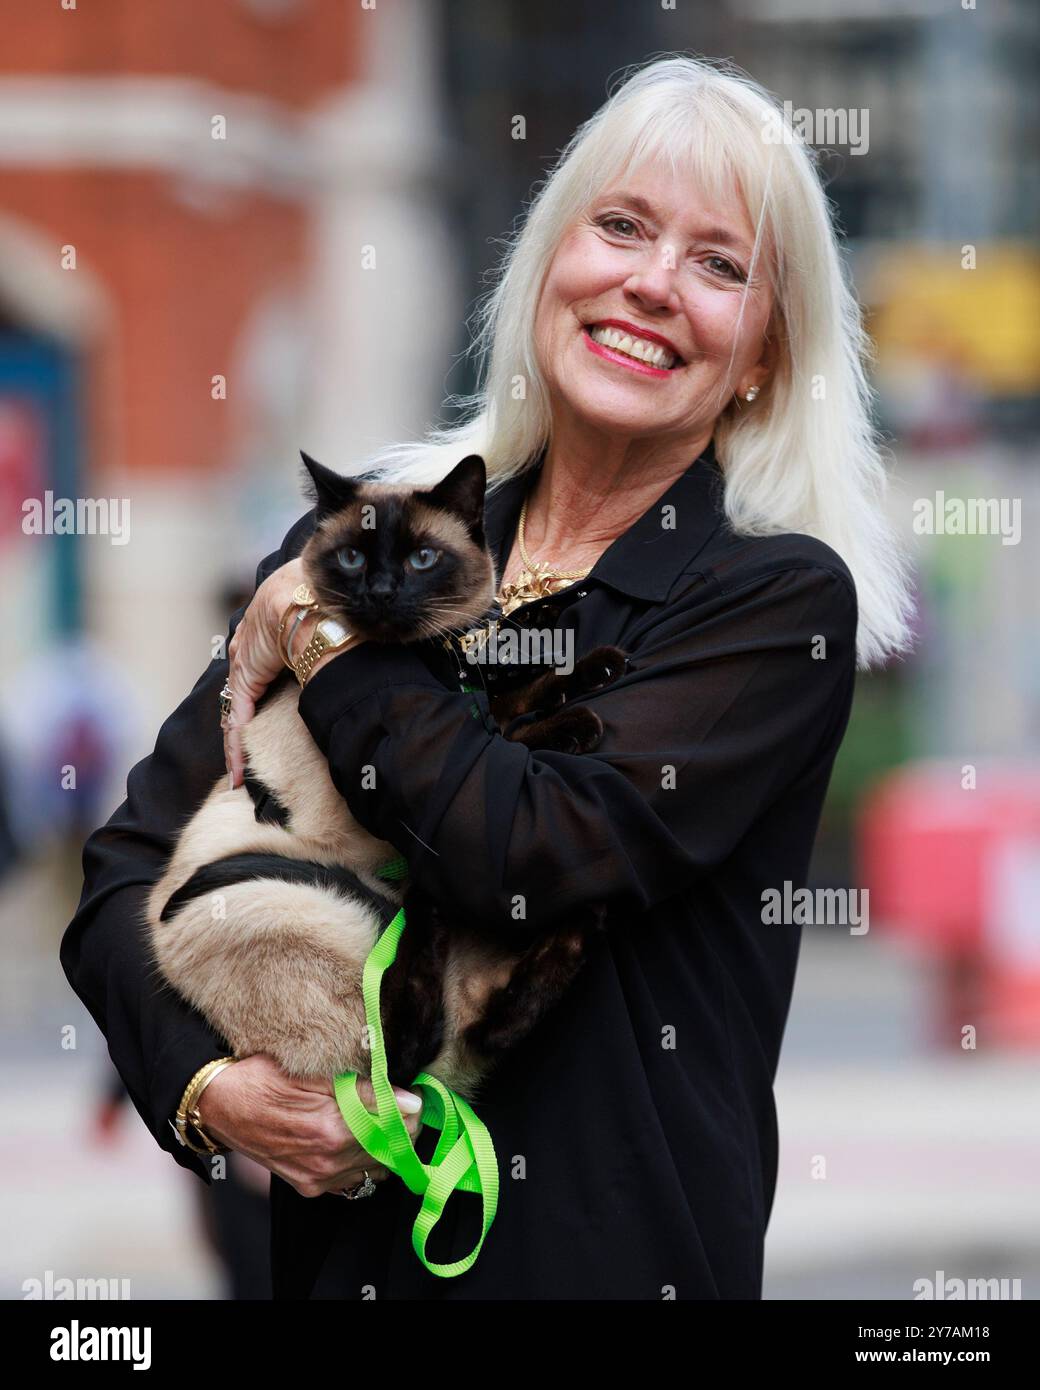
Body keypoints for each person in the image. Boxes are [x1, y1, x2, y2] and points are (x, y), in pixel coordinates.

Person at [61, 54, 914, 1300]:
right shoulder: (363, 546)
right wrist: (210, 1089)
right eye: (619, 226)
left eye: (718, 264)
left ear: (760, 360)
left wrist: (335, 632)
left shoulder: (767, 601)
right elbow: (123, 872)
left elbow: (523, 852)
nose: (650, 283)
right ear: (545, 268)